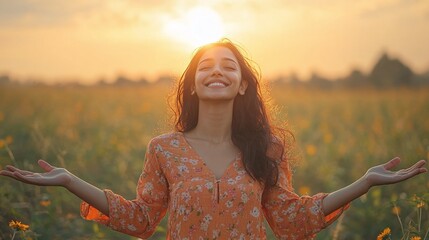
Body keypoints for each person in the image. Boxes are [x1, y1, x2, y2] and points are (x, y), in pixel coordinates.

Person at [0, 39, 427, 239]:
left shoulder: (267, 149)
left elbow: (291, 219)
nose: (216, 71)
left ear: (243, 85)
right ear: (192, 85)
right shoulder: (164, 149)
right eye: (205, 66)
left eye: (228, 66)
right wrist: (69, 179)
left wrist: (364, 182)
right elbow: (140, 219)